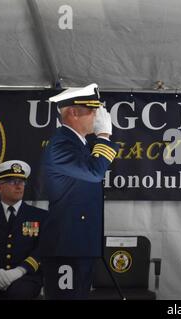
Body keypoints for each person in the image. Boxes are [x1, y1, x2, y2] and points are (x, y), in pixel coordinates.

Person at [39, 83, 118, 299]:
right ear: (73, 112)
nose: (98, 115)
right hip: (66, 246)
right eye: (93, 110)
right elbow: (95, 172)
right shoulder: (61, 144)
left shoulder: (77, 143)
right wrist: (103, 136)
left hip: (79, 245)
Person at [0, 160, 47, 299]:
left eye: (21, 182)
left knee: (18, 293)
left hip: (26, 277)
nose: (19, 186)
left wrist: (20, 271)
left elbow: (43, 249)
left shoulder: (40, 216)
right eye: (12, 182)